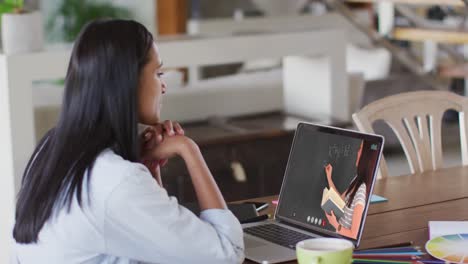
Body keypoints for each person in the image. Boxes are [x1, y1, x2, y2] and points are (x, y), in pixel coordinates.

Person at [12, 19, 244, 264]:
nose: (163, 86)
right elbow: (227, 253)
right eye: (158, 73)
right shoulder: (115, 180)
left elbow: (160, 246)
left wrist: (150, 168)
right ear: (127, 82)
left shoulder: (51, 149)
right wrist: (189, 150)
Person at [323, 141, 367, 239]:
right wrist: (329, 178)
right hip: (338, 238)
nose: (357, 152)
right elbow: (340, 201)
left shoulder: (361, 191)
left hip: (344, 244)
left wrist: (335, 224)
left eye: (360, 149)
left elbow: (353, 234)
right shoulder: (356, 179)